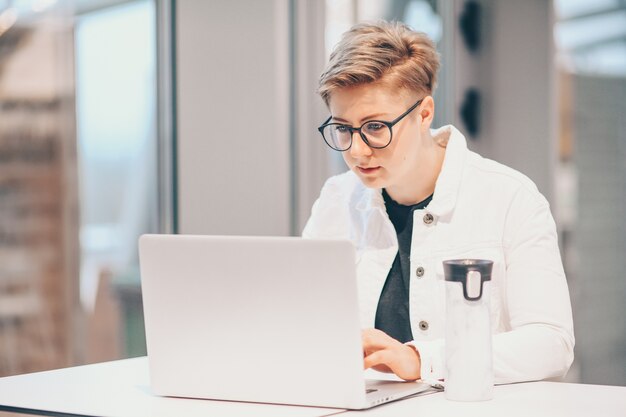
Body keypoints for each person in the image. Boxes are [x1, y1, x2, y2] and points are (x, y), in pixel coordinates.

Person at [302, 21, 574, 384]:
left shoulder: (509, 197)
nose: (356, 150)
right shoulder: (337, 200)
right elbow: (304, 321)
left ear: (424, 113)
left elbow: (551, 344)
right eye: (342, 128)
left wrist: (423, 359)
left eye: (375, 127)